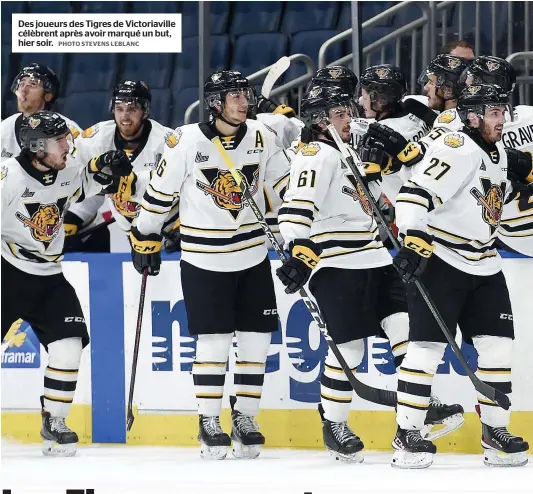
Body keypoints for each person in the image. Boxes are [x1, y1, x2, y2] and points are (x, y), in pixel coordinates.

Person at [276, 84, 463, 462]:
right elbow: (296, 208)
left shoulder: (349, 151)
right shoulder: (315, 154)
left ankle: (417, 410)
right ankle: (334, 422)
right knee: (349, 349)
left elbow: (382, 201)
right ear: (318, 120)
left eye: (348, 109)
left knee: (405, 332)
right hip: (334, 262)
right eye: (339, 113)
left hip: (376, 257)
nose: (349, 118)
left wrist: (390, 168)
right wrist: (298, 250)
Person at [130, 70, 289, 460]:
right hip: (205, 260)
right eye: (234, 96)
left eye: (245, 95)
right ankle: (208, 420)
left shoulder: (262, 136)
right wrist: (144, 234)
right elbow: (158, 193)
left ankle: (246, 417)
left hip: (252, 256)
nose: (243, 102)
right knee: (214, 341)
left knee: (257, 340)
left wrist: (298, 231)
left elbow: (285, 186)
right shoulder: (185, 142)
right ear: (216, 102)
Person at [391, 84, 529, 469]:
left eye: (503, 112)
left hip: (486, 262)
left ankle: (494, 432)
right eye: (494, 113)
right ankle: (407, 435)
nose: (501, 120)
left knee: (498, 349)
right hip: (443, 260)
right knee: (425, 351)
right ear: (472, 116)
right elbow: (414, 194)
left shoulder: (496, 151)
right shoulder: (456, 149)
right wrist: (413, 236)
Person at [1, 111, 132, 456]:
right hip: (7, 274)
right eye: (59, 141)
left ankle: (54, 419)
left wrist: (107, 164)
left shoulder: (66, 167)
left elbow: (85, 182)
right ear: (35, 147)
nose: (67, 145)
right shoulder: (8, 178)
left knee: (69, 346)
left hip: (49, 277)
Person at [64, 80, 179, 251]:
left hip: (173, 228)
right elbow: (72, 176)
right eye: (119, 109)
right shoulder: (96, 139)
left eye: (132, 109)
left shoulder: (167, 141)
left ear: (145, 111)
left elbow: (190, 184)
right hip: (133, 232)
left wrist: (184, 225)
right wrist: (73, 217)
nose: (125, 116)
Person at [1, 63, 81, 161]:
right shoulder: (4, 127)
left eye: (33, 84)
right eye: (21, 83)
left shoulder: (68, 129)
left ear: (48, 95)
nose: (23, 90)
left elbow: (81, 165)